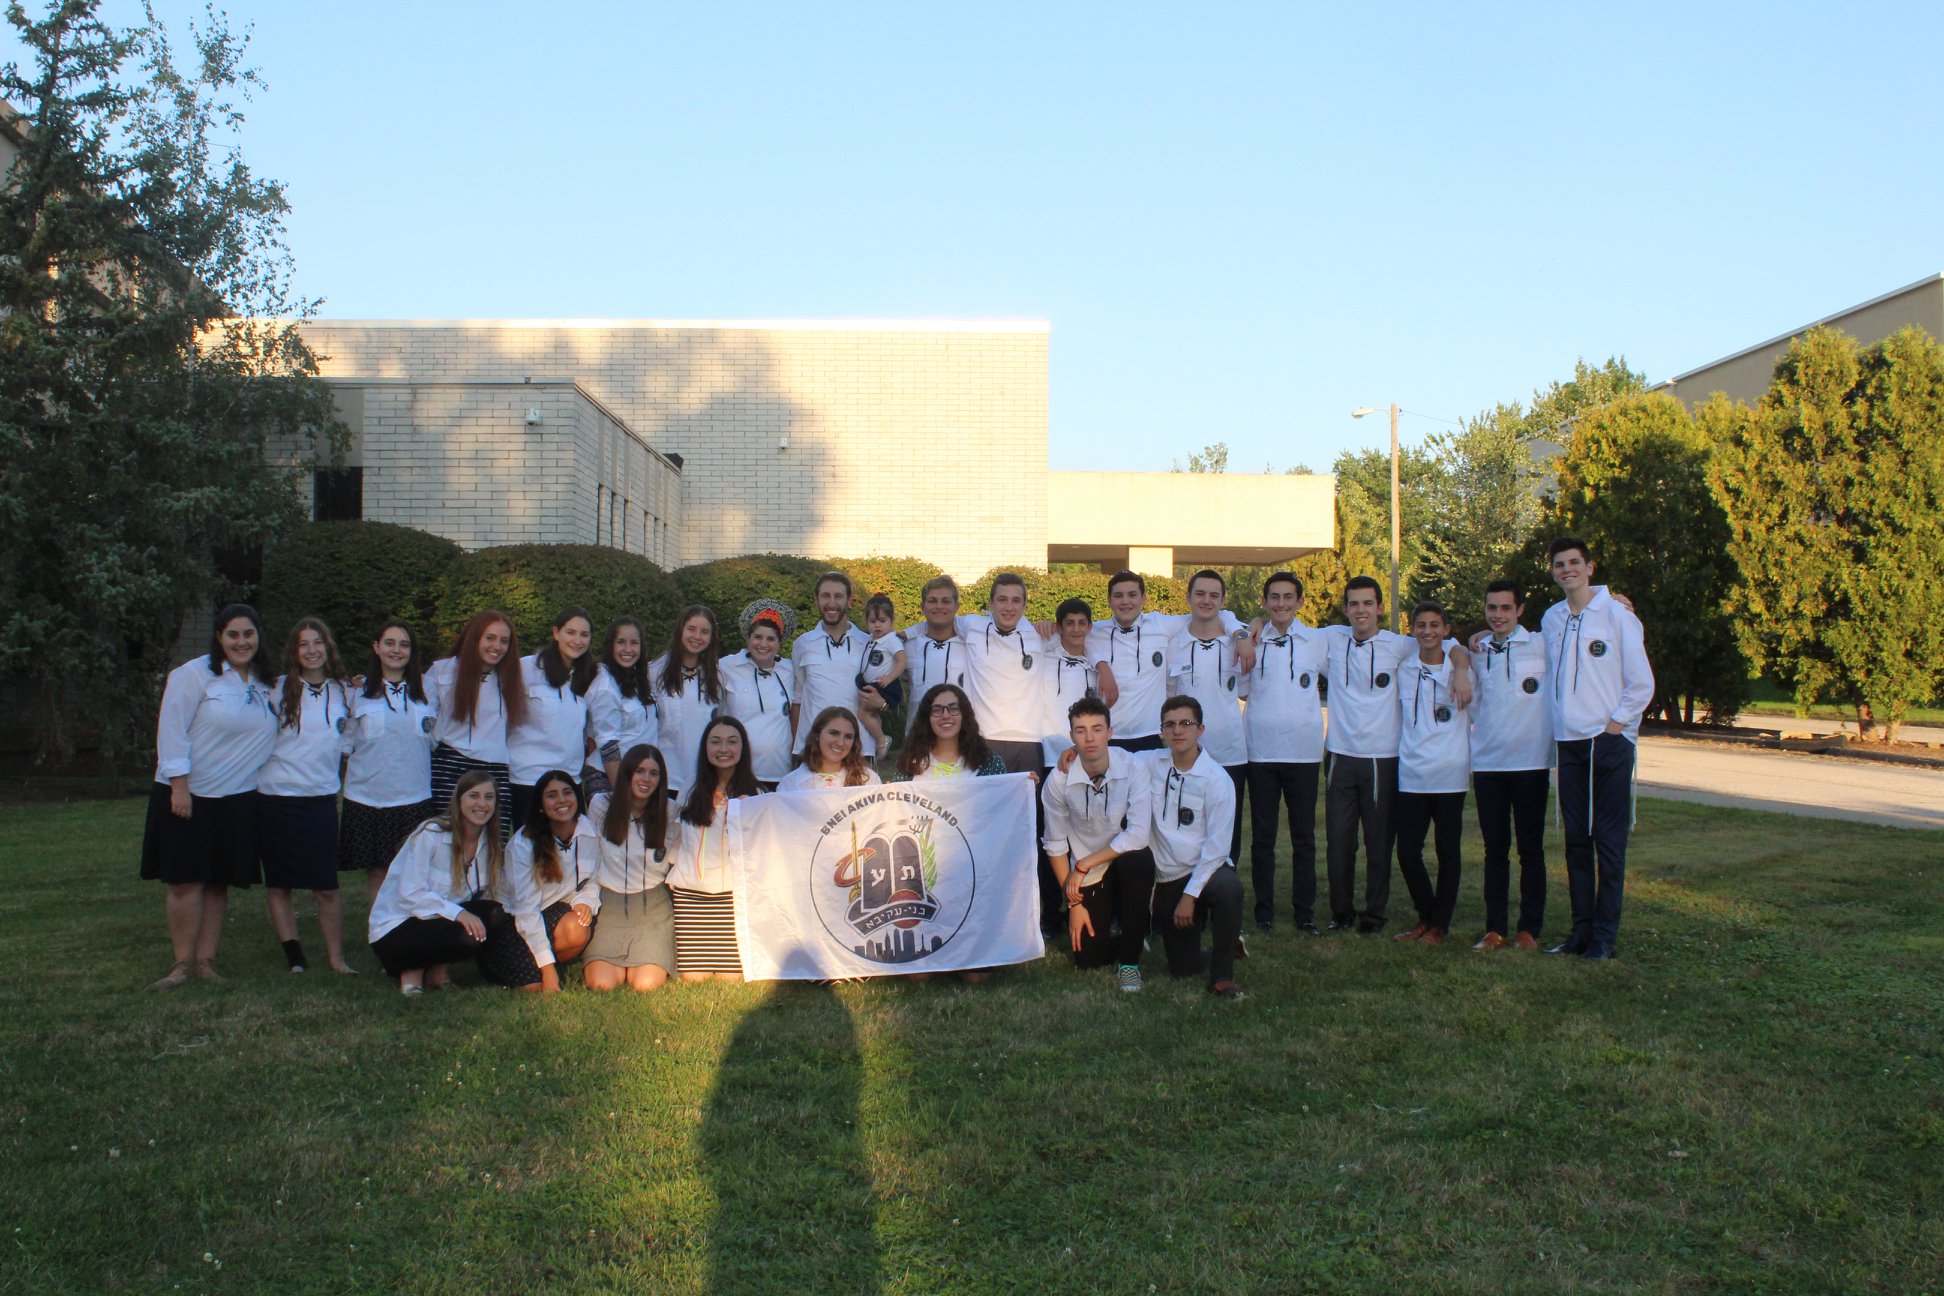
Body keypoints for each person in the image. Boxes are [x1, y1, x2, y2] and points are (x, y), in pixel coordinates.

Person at [1318, 576, 1471, 934]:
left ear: (1380, 608)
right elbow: (1273, 624)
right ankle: (1341, 912)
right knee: (1338, 841)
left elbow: (1449, 644)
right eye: (1354, 604)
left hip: (1383, 757)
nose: (1361, 610)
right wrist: (1252, 627)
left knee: (1379, 842)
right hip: (1340, 754)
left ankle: (1374, 915)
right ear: (1345, 609)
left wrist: (1462, 670)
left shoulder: (1400, 645)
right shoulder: (1330, 638)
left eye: (1367, 603)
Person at [141, 603, 282, 989]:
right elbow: (171, 730)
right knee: (185, 882)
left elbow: (314, 688)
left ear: (259, 636)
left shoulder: (266, 682)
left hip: (237, 798)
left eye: (248, 634)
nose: (241, 642)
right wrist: (179, 785)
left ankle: (205, 962)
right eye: (233, 635)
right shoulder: (193, 675)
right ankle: (181, 965)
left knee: (219, 881)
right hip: (188, 794)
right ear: (219, 637)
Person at [1541, 537, 1654, 962]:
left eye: (1574, 562)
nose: (1567, 569)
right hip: (1568, 744)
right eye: (1559, 564)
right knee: (1576, 841)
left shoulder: (1617, 615)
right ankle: (1580, 932)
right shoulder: (1552, 618)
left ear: (1589, 567)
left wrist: (1613, 729)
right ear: (1553, 572)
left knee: (1608, 843)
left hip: (1606, 743)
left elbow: (1641, 684)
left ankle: (1604, 938)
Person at [257, 617, 357, 974]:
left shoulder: (346, 692)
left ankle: (336, 958)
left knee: (326, 886)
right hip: (276, 799)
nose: (312, 650)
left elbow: (349, 740)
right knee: (279, 884)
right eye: (304, 644)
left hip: (320, 800)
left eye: (318, 643)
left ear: (328, 648)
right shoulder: (275, 690)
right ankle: (294, 956)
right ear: (294, 651)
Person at [1041, 697, 1154, 991]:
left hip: (1118, 861)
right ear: (1071, 736)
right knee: (1087, 959)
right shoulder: (1058, 780)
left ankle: (1130, 963)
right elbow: (1054, 844)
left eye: (1097, 729)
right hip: (1089, 875)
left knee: (1139, 860)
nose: (1089, 738)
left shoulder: (1133, 766)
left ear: (1110, 732)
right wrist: (1074, 902)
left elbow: (1138, 835)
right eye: (1081, 731)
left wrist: (1083, 865)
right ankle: (1131, 935)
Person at [1465, 579, 1554, 951]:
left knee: (1531, 850)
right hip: (1489, 764)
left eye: (1505, 608)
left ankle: (1528, 930)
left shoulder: (1542, 645)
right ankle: (1495, 929)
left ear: (1520, 610)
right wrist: (1478, 637)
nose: (1498, 615)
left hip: (1531, 763)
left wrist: (1613, 601)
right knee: (1495, 850)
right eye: (1492, 608)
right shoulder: (1477, 651)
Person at [367, 770, 509, 995]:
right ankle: (410, 973)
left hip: (439, 922)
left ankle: (437, 971)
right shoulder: (432, 833)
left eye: (489, 797)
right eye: (474, 796)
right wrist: (459, 914)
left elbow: (488, 895)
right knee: (466, 928)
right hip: (397, 927)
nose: (482, 804)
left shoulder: (488, 845)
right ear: (459, 800)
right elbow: (410, 895)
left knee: (493, 914)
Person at [1242, 572, 1329, 935]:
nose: (1281, 604)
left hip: (1304, 753)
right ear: (1264, 602)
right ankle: (1263, 912)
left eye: (1288, 597)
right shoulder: (1250, 640)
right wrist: (1250, 629)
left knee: (1303, 837)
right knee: (1263, 838)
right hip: (1260, 752)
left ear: (1300, 602)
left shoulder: (1318, 641)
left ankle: (1304, 912)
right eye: (1274, 598)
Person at [1143, 696, 1247, 999]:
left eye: (1186, 723)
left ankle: (1222, 977)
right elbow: (1113, 756)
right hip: (1168, 879)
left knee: (1229, 888)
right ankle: (1225, 945)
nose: (1178, 731)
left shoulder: (1218, 779)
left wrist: (1190, 896)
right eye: (1170, 724)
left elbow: (1217, 849)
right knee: (1182, 968)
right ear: (1162, 731)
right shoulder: (1150, 763)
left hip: (1206, 872)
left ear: (1200, 729)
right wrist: (1073, 752)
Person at [1089, 570, 1250, 751]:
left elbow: (1213, 613)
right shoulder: (1094, 632)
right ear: (1109, 600)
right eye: (1118, 596)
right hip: (1107, 735)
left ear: (1144, 598)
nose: (1126, 601)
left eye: (1132, 595)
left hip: (1151, 737)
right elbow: (1070, 637)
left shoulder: (1161, 625)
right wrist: (1102, 666)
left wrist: (1240, 634)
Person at [1392, 603, 1471, 946]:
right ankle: (1427, 916)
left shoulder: (1462, 670)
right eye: (1421, 625)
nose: (1428, 631)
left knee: (1447, 852)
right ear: (1412, 630)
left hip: (1450, 774)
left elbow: (1462, 650)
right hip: (1412, 774)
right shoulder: (1404, 668)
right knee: (1408, 852)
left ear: (1446, 630)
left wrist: (1462, 668)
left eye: (1435, 625)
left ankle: (1440, 925)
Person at [339, 620, 438, 895]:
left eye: (404, 645)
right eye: (390, 643)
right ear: (376, 647)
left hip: (415, 798)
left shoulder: (429, 693)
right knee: (379, 875)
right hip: (369, 799)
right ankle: (378, 925)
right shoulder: (355, 693)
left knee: (414, 875)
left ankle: (410, 924)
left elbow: (435, 738)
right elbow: (344, 745)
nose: (397, 650)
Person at [480, 770, 599, 992]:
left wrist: (584, 901)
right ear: (541, 805)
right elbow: (526, 910)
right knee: (533, 988)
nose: (562, 800)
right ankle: (538, 964)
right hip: (514, 920)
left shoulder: (589, 831)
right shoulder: (524, 844)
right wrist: (547, 970)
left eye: (567, 792)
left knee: (578, 927)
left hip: (550, 910)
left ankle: (541, 961)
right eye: (552, 795)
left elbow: (592, 878)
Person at [667, 716, 762, 981]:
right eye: (715, 742)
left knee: (730, 978)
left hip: (733, 896)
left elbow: (761, 851)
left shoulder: (756, 792)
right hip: (692, 893)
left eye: (732, 742)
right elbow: (677, 839)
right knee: (693, 977)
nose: (723, 749)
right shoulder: (690, 787)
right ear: (705, 747)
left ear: (742, 748)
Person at [1166, 570, 1249, 867]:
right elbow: (1168, 698)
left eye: (1214, 595)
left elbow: (1246, 690)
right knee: (1187, 827)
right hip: (1186, 756)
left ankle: (1225, 885)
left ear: (1223, 601)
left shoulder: (1238, 644)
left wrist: (1242, 634)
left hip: (1230, 754)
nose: (1206, 600)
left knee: (1227, 832)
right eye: (1200, 594)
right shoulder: (1173, 645)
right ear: (1188, 597)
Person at [581, 744, 677, 993]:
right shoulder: (601, 805)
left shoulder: (669, 809)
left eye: (653, 773)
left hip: (652, 908)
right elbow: (591, 858)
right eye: (639, 771)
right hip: (609, 905)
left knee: (646, 984)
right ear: (627, 773)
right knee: (601, 984)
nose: (646, 779)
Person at [425, 610, 526, 841]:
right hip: (450, 767)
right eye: (490, 638)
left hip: (495, 769)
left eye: (504, 641)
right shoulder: (442, 671)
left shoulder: (511, 678)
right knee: (446, 843)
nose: (497, 646)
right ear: (474, 638)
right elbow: (422, 717)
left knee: (493, 844)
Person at [507, 606, 595, 825]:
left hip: (569, 780)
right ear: (556, 633)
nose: (577, 640)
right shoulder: (527, 668)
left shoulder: (589, 676)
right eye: (570, 632)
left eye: (584, 634)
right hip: (528, 780)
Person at [791, 571, 876, 761]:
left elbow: (880, 693)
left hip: (859, 749)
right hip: (813, 749)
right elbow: (798, 699)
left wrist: (883, 704)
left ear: (849, 600)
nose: (831, 603)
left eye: (838, 596)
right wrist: (797, 748)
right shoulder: (802, 644)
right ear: (816, 599)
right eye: (825, 596)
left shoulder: (868, 643)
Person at [720, 601, 798, 790]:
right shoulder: (726, 666)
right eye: (757, 637)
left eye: (770, 639)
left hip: (780, 772)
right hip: (737, 772)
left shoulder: (790, 670)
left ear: (779, 642)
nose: (763, 644)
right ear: (748, 638)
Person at [651, 605, 726, 799]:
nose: (697, 636)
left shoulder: (717, 677)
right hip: (663, 779)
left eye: (704, 632)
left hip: (703, 780)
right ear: (680, 630)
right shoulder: (655, 672)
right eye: (691, 629)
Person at [585, 616, 657, 797]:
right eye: (621, 642)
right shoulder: (605, 685)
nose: (628, 649)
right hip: (611, 780)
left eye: (634, 643)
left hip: (640, 778)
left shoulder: (639, 678)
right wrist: (621, 795)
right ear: (610, 645)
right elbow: (608, 745)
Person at [900, 576, 967, 735]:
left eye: (945, 601)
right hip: (918, 738)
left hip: (961, 739)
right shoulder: (906, 646)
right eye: (932, 601)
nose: (939, 606)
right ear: (923, 606)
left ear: (956, 606)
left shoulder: (972, 647)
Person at [899, 683, 1006, 779]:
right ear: (927, 718)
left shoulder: (990, 763)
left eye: (953, 708)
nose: (946, 716)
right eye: (937, 710)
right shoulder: (908, 763)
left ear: (964, 715)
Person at [777, 707, 882, 791]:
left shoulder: (869, 780)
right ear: (817, 734)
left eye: (848, 737)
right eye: (833, 733)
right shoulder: (791, 784)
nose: (840, 743)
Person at [855, 594, 907, 754]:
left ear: (891, 620)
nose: (877, 625)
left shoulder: (891, 640)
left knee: (862, 713)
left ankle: (881, 739)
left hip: (884, 685)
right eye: (872, 621)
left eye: (882, 621)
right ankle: (879, 741)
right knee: (871, 714)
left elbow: (902, 662)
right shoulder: (871, 639)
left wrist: (889, 678)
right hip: (872, 683)